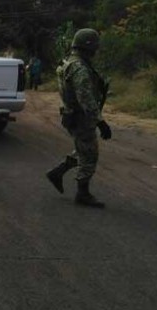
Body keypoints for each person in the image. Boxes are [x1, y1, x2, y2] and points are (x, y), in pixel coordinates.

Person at [46, 28, 111, 208]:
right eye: (94, 47)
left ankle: (58, 173)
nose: (96, 51)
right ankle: (83, 193)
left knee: (83, 149)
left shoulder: (69, 61)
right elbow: (86, 98)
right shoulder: (80, 68)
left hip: (72, 114)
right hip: (81, 117)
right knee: (90, 155)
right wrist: (101, 121)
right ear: (88, 47)